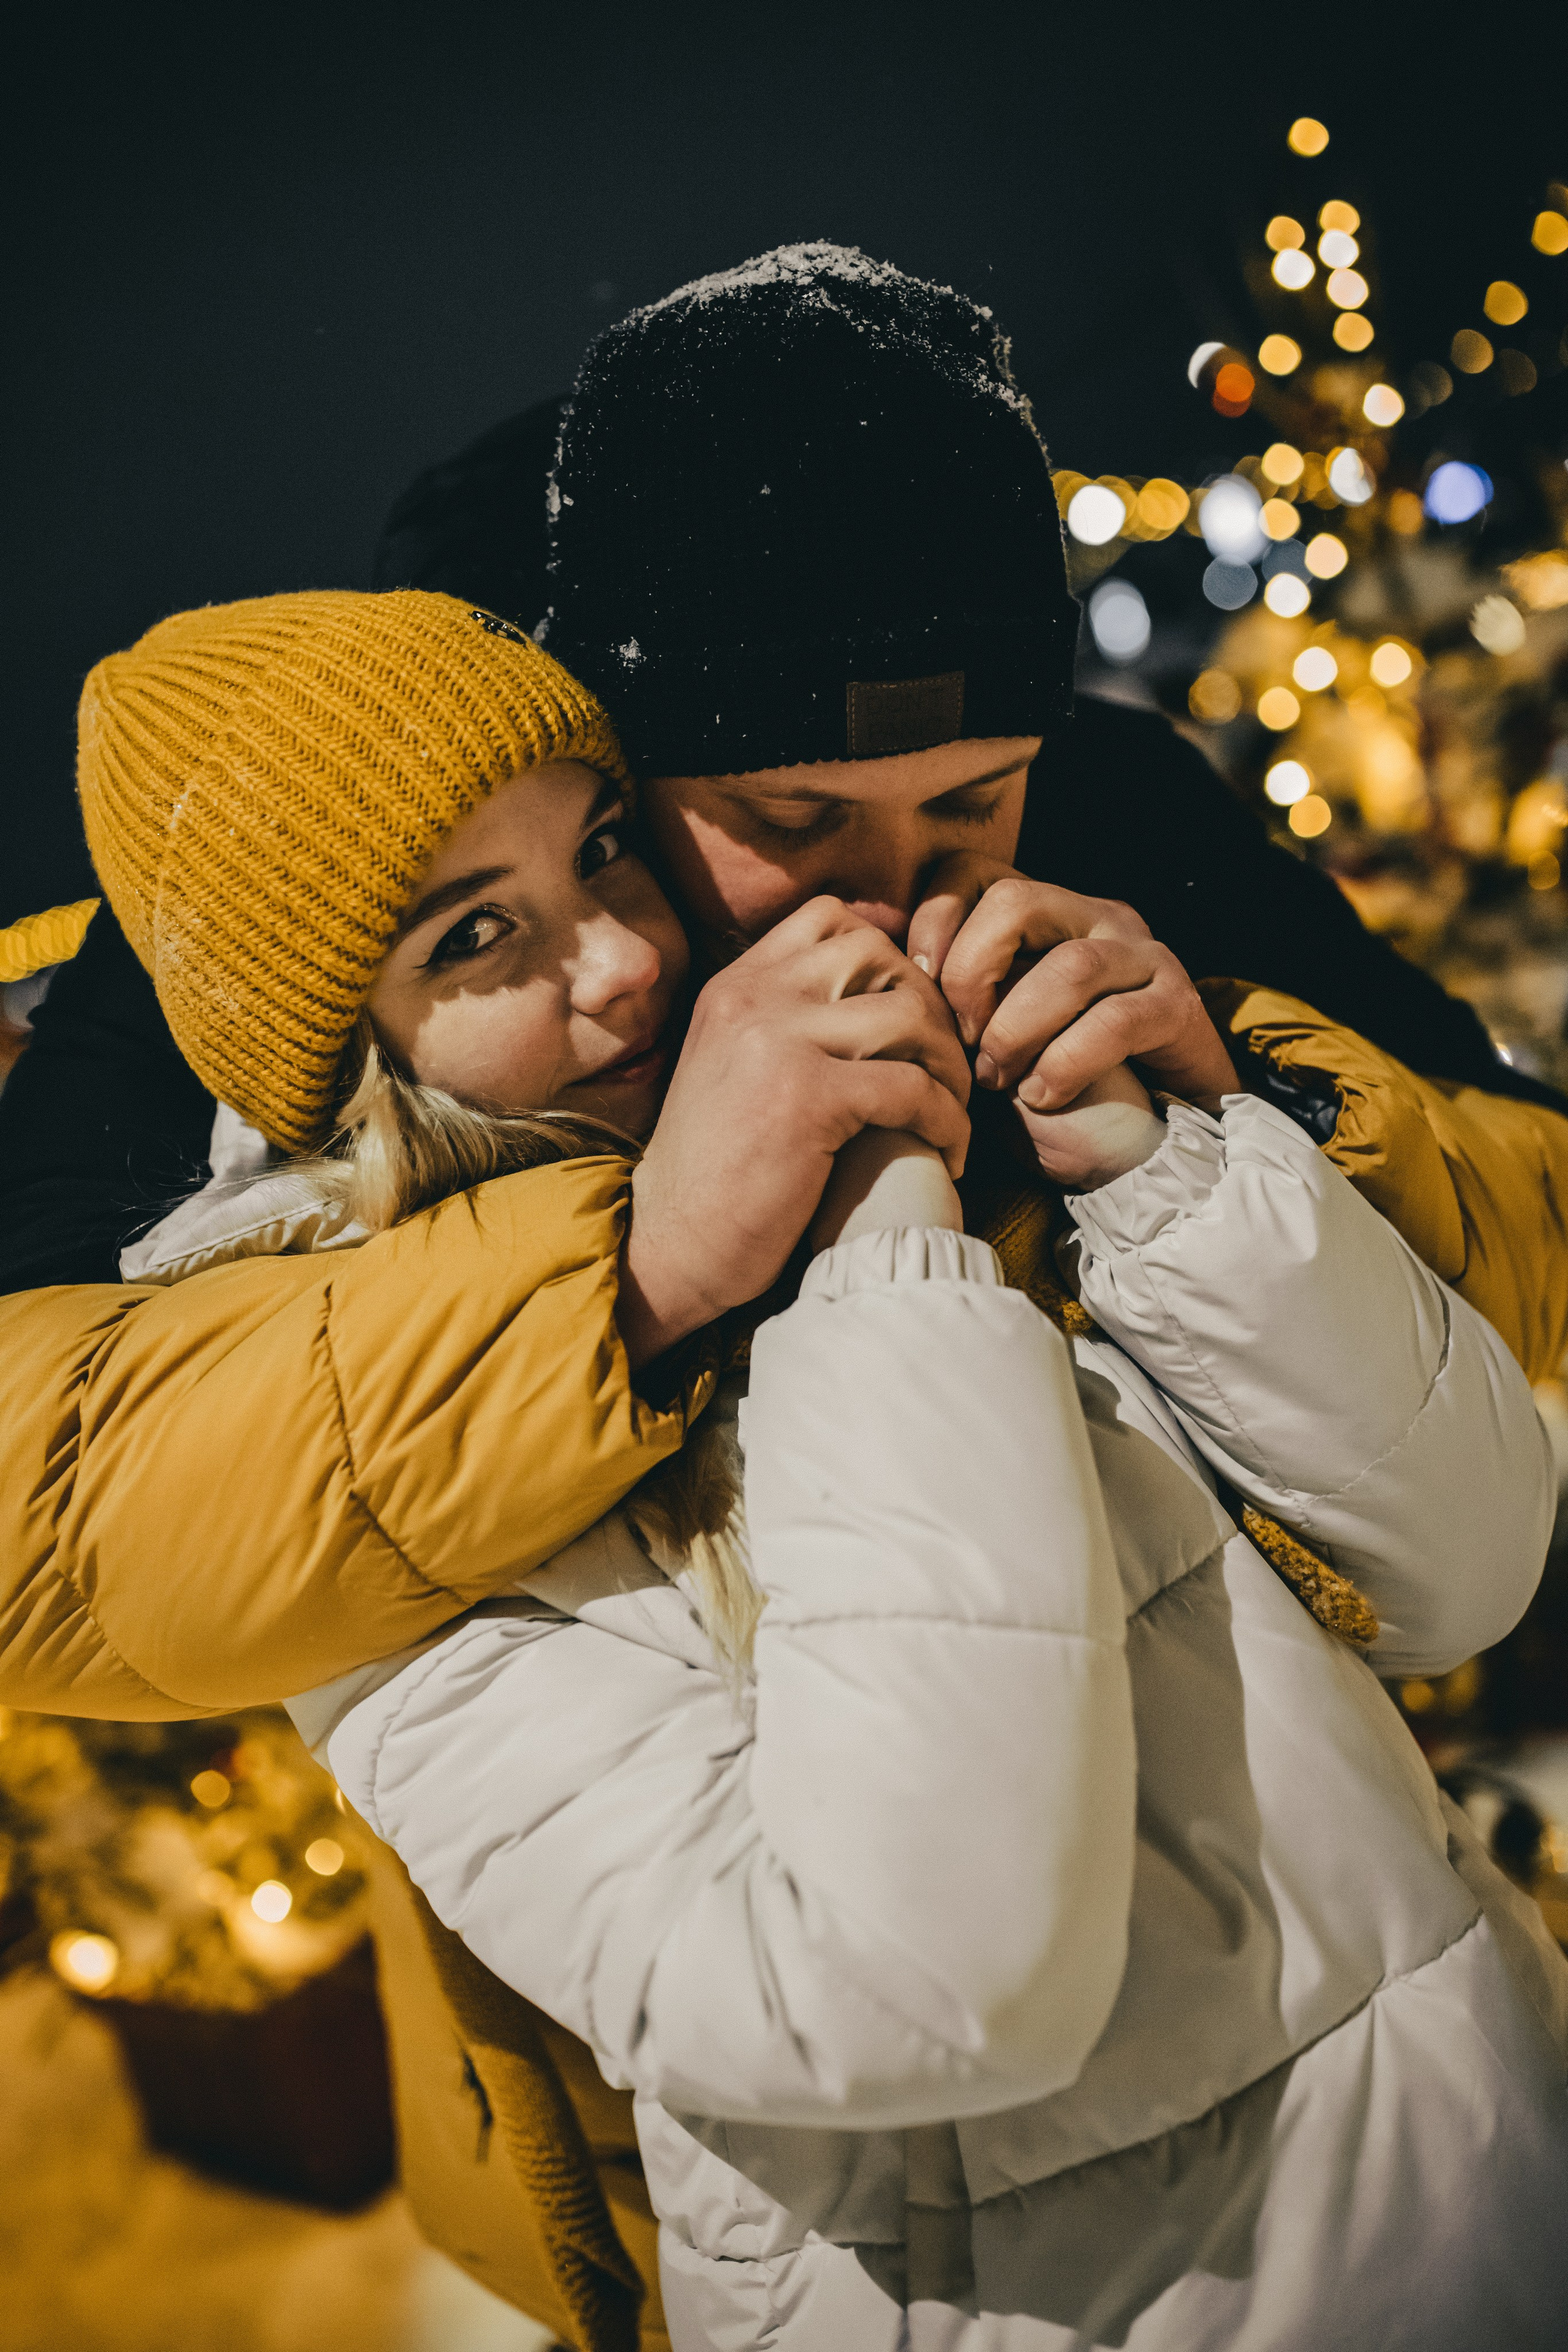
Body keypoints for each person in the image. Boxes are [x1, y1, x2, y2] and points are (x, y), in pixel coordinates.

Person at [95, 598, 1568, 2349]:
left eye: (606, 851)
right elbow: (925, 1992)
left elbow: (1461, 1574)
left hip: (1486, 2187)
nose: (628, 963)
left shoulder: (843, 1074)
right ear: (350, 1052)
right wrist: (878, 1248)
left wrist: (1160, 1159)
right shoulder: (373, 1454)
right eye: (480, 936)